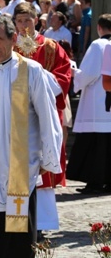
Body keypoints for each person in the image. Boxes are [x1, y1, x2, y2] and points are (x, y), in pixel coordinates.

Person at [0, 16, 62, 258]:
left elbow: (48, 115)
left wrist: (48, 159)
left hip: (20, 168)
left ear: (13, 39)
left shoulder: (31, 70)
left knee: (17, 244)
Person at [12, 3, 71, 228]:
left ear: (37, 20)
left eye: (28, 20)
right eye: (20, 21)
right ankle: (15, 221)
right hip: (13, 117)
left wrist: (36, 78)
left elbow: (63, 78)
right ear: (14, 23)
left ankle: (41, 224)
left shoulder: (51, 47)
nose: (24, 25)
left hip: (42, 115)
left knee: (42, 171)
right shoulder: (7, 46)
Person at [66, 14, 111, 194]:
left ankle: (95, 181)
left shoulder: (98, 45)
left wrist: (74, 73)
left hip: (98, 104)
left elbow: (89, 74)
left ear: (99, 28)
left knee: (95, 144)